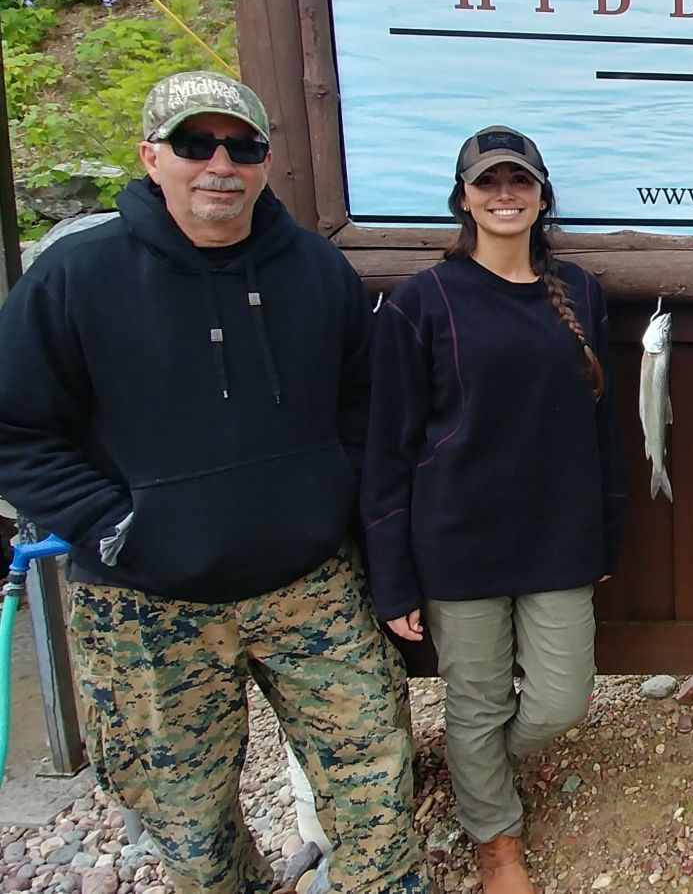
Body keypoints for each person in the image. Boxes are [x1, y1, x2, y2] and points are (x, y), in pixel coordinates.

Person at [0, 71, 431, 893]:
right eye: (195, 145)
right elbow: (18, 429)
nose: (220, 165)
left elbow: (360, 403)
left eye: (242, 146)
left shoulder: (315, 269)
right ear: (151, 157)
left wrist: (329, 498)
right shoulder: (72, 277)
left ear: (266, 161)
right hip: (144, 602)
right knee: (186, 816)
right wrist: (108, 523)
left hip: (308, 584)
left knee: (375, 775)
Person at [362, 126, 628, 894]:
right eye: (488, 183)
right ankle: (496, 835)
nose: (504, 194)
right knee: (474, 699)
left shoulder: (579, 291)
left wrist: (607, 535)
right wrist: (395, 579)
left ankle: (477, 769)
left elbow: (601, 429)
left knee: (558, 701)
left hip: (558, 535)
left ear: (544, 196)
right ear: (464, 198)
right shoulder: (421, 301)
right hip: (457, 541)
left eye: (520, 181)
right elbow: (388, 448)